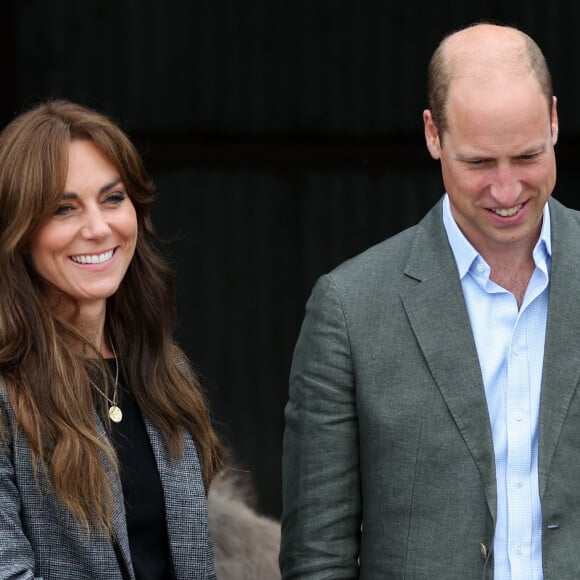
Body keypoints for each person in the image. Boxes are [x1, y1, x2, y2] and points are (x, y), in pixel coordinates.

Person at [280, 22, 580, 579]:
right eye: (480, 163)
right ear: (433, 135)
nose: (509, 190)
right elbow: (317, 557)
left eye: (527, 155)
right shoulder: (349, 309)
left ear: (555, 120)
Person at [0, 99, 222, 579]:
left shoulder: (165, 371)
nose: (99, 228)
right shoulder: (5, 394)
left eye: (113, 199)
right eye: (64, 208)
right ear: (19, 231)